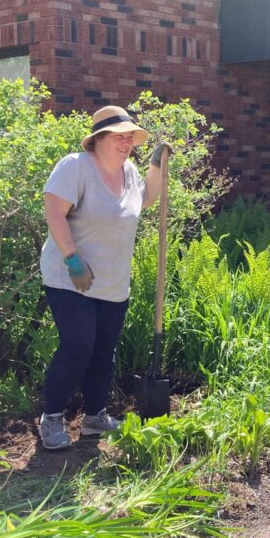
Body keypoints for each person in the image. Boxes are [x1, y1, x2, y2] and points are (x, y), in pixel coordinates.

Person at [38, 105, 171, 450]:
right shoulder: (76, 167)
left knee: (103, 350)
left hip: (113, 282)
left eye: (131, 138)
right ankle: (52, 417)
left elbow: (145, 199)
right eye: (120, 136)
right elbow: (54, 211)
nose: (127, 143)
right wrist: (72, 259)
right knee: (78, 344)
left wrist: (156, 165)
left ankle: (95, 417)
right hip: (71, 277)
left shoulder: (129, 173)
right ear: (98, 139)